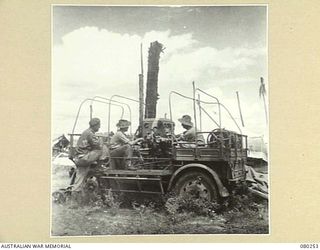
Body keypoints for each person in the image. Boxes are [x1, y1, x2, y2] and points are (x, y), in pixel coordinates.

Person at [70, 118, 109, 191]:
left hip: (80, 157)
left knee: (79, 180)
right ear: (95, 125)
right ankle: (100, 166)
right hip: (83, 158)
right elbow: (97, 146)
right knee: (103, 147)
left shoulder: (86, 132)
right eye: (99, 125)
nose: (99, 127)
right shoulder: (90, 134)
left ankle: (74, 195)